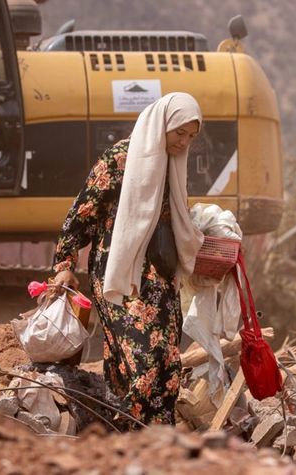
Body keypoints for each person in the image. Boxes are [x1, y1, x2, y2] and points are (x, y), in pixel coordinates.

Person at [51, 92, 204, 426]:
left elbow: (174, 219)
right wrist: (65, 264)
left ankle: (155, 441)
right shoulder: (120, 158)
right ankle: (131, 435)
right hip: (118, 271)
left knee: (167, 363)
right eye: (179, 132)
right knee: (144, 359)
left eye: (191, 136)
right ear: (162, 124)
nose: (184, 142)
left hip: (160, 277)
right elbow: (82, 213)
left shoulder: (172, 167)